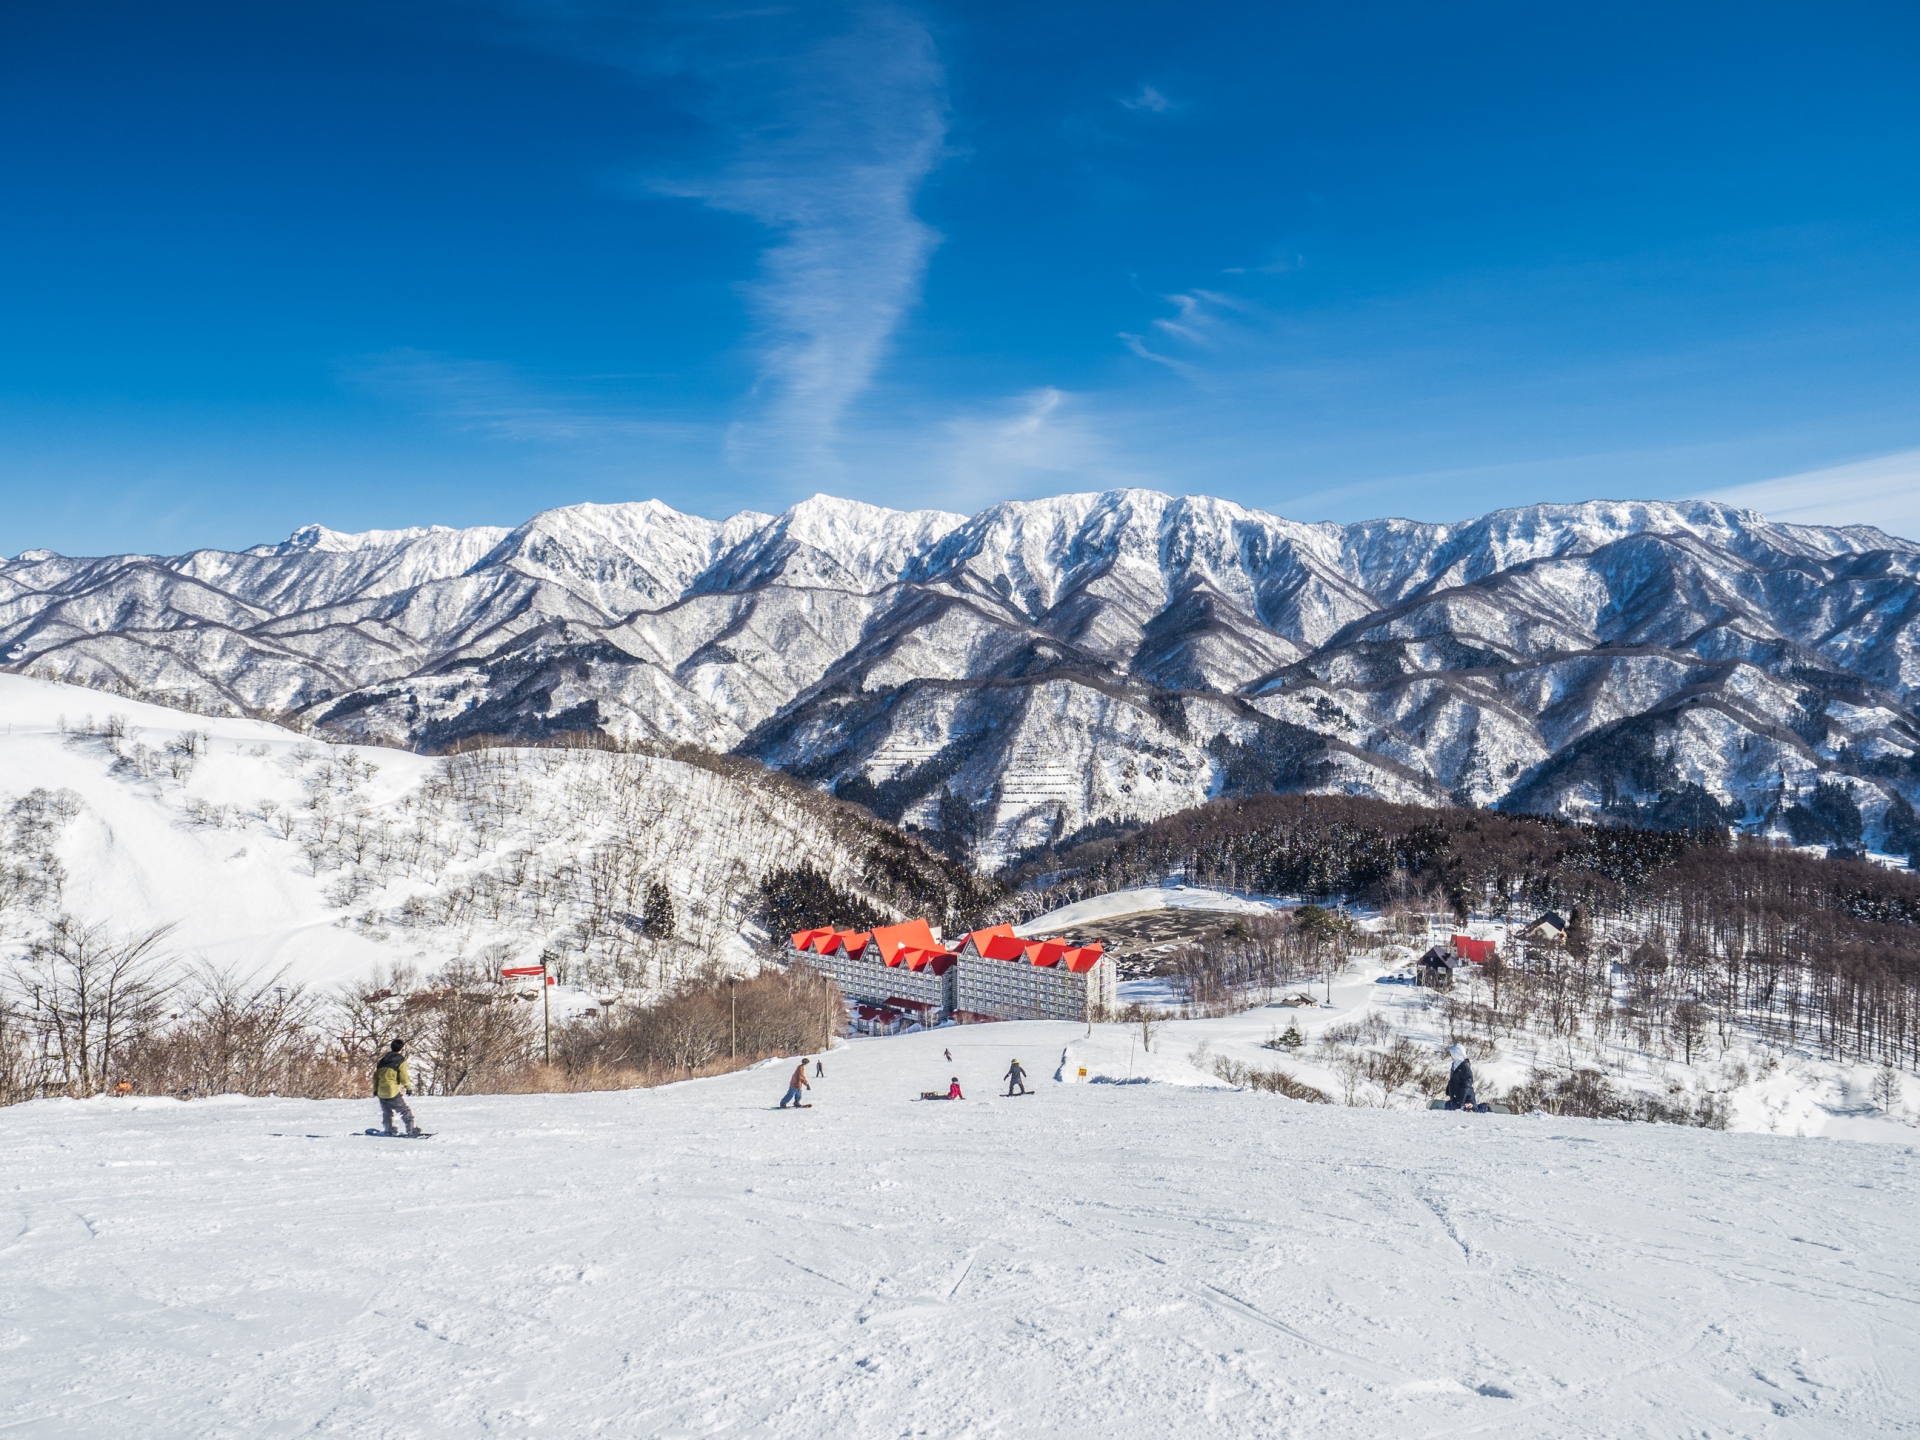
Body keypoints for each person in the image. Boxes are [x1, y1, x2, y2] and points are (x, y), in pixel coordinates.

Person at [374, 1039, 419, 1135]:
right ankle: (411, 1130)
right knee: (404, 1110)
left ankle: (388, 1129)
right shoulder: (400, 1061)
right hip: (392, 1090)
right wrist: (408, 1087)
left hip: (381, 1091)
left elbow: (375, 1077)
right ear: (401, 1049)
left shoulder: (382, 1061)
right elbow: (403, 1075)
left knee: (387, 1112)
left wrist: (375, 1090)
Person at [1443, 1043, 1475, 1111]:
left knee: (1471, 1111)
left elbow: (1467, 1085)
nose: (1451, 1055)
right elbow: (1453, 1080)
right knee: (1449, 1107)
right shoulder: (1454, 1065)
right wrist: (1449, 1090)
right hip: (1456, 1097)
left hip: (1466, 1098)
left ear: (1457, 1054)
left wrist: (1462, 1100)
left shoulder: (1465, 1067)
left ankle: (1483, 1108)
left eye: (1452, 1053)